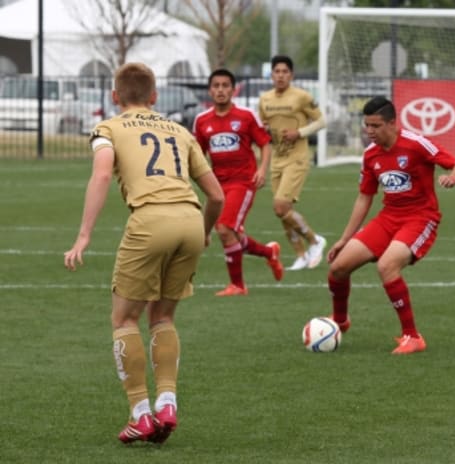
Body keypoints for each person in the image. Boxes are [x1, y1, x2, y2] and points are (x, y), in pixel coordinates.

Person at [63, 62, 224, 444]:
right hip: (189, 217)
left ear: (115, 97)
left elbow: (102, 174)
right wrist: (202, 232)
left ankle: (141, 414)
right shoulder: (180, 130)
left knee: (124, 320)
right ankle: (167, 401)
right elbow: (216, 194)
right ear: (154, 97)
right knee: (163, 316)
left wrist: (84, 235)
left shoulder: (109, 127)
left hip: (150, 221)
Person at [326, 96, 455, 354]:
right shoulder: (370, 155)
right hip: (389, 217)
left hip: (420, 217)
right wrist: (345, 238)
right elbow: (364, 197)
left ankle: (412, 337)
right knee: (338, 268)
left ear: (392, 123)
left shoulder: (416, 144)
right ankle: (340, 321)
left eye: (376, 126)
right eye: (367, 125)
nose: (370, 132)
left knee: (387, 266)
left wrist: (452, 178)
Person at [193, 68, 284, 297]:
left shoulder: (245, 116)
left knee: (224, 229)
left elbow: (265, 143)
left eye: (225, 86)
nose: (221, 90)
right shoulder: (202, 121)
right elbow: (198, 154)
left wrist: (263, 169)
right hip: (217, 185)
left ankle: (238, 286)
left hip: (243, 182)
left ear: (233, 90)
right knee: (232, 233)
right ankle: (268, 252)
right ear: (210, 90)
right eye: (216, 86)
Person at [257, 55, 327, 271]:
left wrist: (300, 132)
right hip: (277, 159)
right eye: (277, 71)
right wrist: (266, 130)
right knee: (283, 211)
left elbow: (322, 121)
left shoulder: (302, 97)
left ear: (291, 75)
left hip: (297, 158)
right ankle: (301, 255)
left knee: (280, 206)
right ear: (271, 75)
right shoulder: (265, 99)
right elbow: (263, 125)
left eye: (285, 72)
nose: (280, 75)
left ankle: (315, 241)